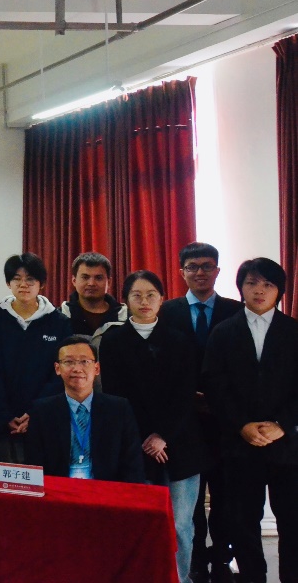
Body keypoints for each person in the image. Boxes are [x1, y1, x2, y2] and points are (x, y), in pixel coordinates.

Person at [99, 270, 206, 583]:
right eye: (136, 295)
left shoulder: (180, 340)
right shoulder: (113, 340)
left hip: (180, 444)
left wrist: (163, 436)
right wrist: (146, 437)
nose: (144, 301)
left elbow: (185, 395)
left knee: (181, 524)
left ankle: (179, 578)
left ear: (162, 299)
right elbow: (116, 395)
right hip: (136, 446)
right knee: (140, 522)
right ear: (125, 300)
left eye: (151, 295)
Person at [203, 257, 298, 583]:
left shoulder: (294, 332)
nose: (259, 290)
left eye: (268, 284)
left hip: (287, 446)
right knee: (242, 522)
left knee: (292, 521)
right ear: (240, 287)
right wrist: (241, 425)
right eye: (252, 283)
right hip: (239, 444)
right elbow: (214, 386)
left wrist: (282, 424)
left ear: (279, 291)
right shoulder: (223, 332)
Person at [161, 243, 243, 583]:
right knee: (189, 502)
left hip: (226, 422)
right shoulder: (167, 311)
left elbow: (242, 365)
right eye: (192, 266)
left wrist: (220, 399)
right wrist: (185, 398)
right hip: (184, 423)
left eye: (207, 266)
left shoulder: (236, 310)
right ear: (181, 272)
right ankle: (194, 559)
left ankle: (222, 557)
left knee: (225, 495)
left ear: (218, 271)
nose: (200, 273)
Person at [0, 253, 73, 464]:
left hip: (44, 420)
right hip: (1, 421)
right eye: (17, 279)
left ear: (41, 284)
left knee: (43, 480)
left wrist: (35, 412)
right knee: (3, 479)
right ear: (8, 283)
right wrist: (5, 415)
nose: (23, 284)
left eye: (30, 279)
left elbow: (59, 374)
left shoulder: (59, 322)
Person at [26, 335, 144, 483]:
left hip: (106, 491)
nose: (77, 369)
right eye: (68, 362)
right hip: (59, 491)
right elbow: (34, 465)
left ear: (97, 368)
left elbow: (133, 465)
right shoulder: (42, 411)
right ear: (57, 368)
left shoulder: (119, 409)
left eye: (84, 361)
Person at [59, 252, 123, 335]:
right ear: (74, 281)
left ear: (109, 282)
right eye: (85, 277)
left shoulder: (125, 317)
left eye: (98, 278)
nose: (91, 283)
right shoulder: (60, 316)